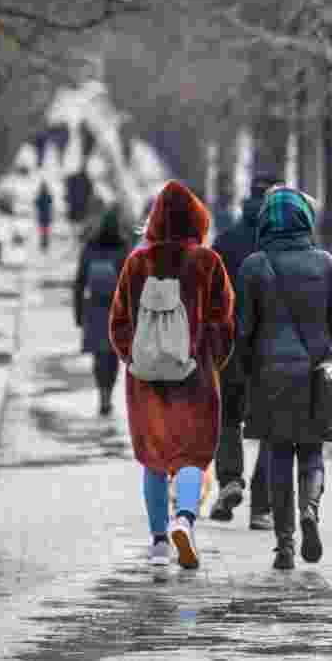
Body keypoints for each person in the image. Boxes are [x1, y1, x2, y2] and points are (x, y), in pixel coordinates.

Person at [109, 180, 235, 568]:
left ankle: (160, 541)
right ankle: (185, 518)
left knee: (154, 457)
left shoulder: (137, 263)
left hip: (146, 381)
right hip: (194, 377)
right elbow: (223, 321)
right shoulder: (207, 262)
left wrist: (134, 358)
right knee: (192, 455)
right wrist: (212, 361)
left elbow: (118, 322)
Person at [235, 186, 332, 570]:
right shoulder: (325, 263)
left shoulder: (254, 266)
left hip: (271, 374)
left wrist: (247, 368)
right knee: (313, 450)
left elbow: (244, 329)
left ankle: (284, 544)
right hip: (317, 374)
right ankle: (311, 510)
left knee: (279, 454)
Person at [207, 173, 283, 529]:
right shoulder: (285, 244)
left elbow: (209, 298)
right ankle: (262, 508)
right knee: (270, 425)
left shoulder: (225, 241)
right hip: (271, 347)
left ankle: (229, 480)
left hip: (230, 343)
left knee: (229, 419)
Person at [74, 206, 130, 416]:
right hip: (117, 309)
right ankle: (108, 394)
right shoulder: (123, 249)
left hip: (94, 309)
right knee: (112, 356)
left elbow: (79, 283)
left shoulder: (89, 248)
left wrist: (78, 313)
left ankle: (102, 395)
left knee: (99, 356)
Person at [34, 181, 54, 251]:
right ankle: (45, 244)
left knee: (43, 232)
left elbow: (36, 204)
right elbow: (50, 203)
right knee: (45, 232)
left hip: (42, 216)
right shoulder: (48, 195)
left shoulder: (39, 195)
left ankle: (43, 244)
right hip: (46, 215)